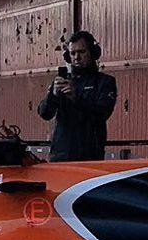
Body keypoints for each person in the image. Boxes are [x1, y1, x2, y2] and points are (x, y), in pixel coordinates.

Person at [38, 31, 117, 162]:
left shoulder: (105, 82)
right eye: (73, 53)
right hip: (60, 155)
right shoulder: (62, 81)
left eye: (81, 52)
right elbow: (44, 113)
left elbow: (102, 113)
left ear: (93, 53)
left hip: (89, 156)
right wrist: (53, 96)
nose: (76, 57)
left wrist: (76, 99)